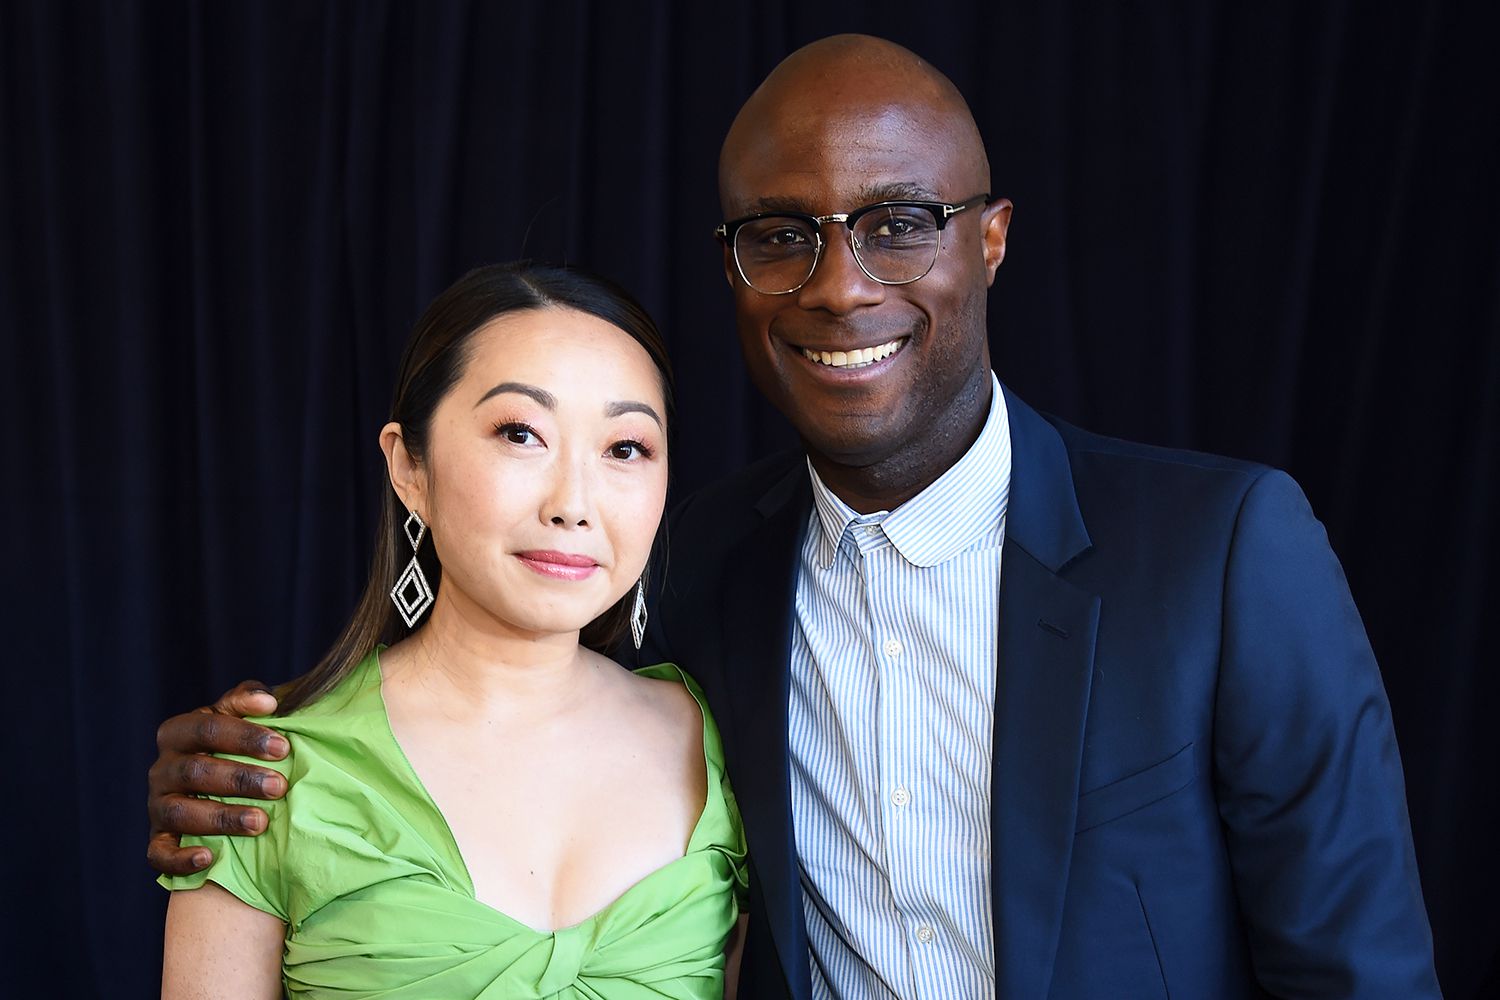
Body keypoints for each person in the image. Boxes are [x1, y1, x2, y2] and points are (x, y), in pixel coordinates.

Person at [148, 35, 1441, 1000]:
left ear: (989, 242)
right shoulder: (693, 574)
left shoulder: (1220, 552)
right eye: (781, 236)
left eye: (898, 225)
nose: (837, 286)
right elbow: (496, 744)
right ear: (732, 269)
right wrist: (242, 780)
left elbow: (1360, 971)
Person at [156, 262, 749, 999]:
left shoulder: (721, 746)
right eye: (521, 433)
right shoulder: (264, 775)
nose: (574, 502)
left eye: (625, 448)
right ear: (410, 466)